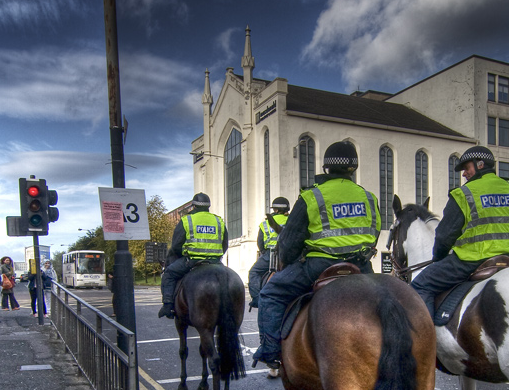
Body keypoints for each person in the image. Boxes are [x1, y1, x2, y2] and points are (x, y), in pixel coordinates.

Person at [253, 141, 380, 368]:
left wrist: (293, 260)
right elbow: (375, 232)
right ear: (354, 168)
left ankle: (270, 351)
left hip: (319, 266)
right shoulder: (369, 197)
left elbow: (289, 244)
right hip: (361, 267)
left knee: (270, 293)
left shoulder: (312, 196)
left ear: (326, 168)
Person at [410, 145, 509, 308]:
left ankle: (425, 334)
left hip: (470, 260)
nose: (464, 174)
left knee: (420, 285)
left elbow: (444, 236)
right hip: (506, 259)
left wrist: (438, 259)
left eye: (466, 168)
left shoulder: (464, 193)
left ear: (480, 165)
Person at [157, 193, 228, 319]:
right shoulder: (218, 221)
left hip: (191, 261)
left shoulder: (187, 220)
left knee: (169, 274)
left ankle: (167, 306)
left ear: (194, 206)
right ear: (208, 207)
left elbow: (176, 245)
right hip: (215, 262)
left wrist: (183, 253)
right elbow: (225, 244)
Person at [247, 196, 290, 309]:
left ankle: (256, 298)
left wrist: (263, 252)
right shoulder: (291, 220)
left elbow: (260, 243)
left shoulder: (265, 224)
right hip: (290, 256)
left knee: (254, 272)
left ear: (275, 210)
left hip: (270, 256)